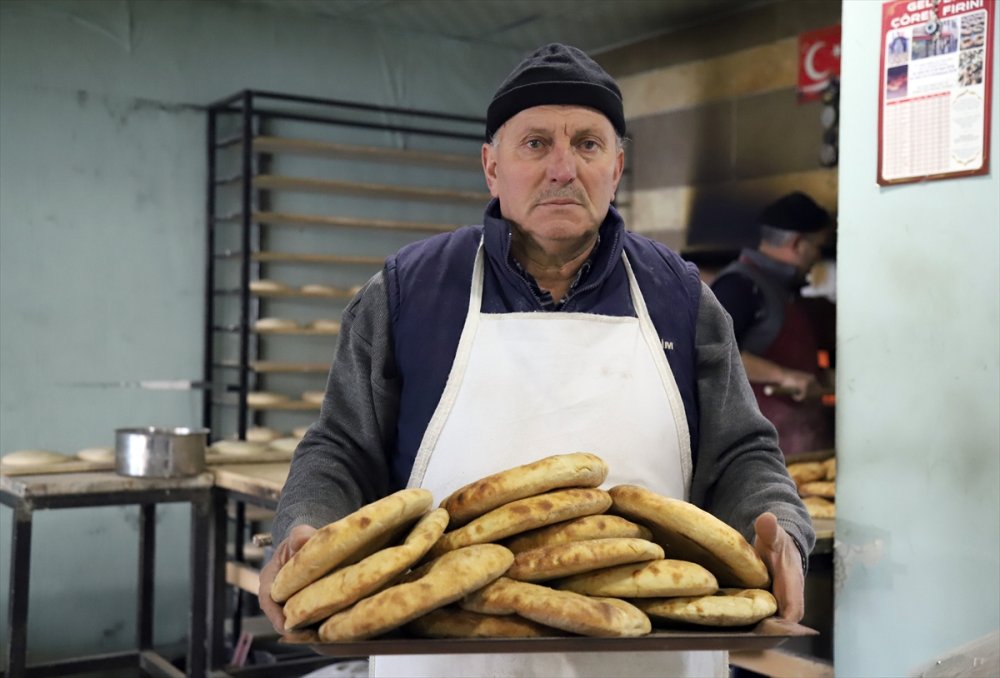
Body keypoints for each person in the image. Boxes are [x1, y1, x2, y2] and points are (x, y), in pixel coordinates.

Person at [258, 43, 814, 678]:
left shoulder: (682, 298)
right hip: (452, 661)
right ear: (491, 167)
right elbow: (339, 449)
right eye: (534, 144)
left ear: (618, 166)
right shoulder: (408, 292)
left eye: (587, 143)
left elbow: (744, 453)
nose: (562, 168)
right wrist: (306, 529)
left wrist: (779, 527)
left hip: (655, 662)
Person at [710, 192, 836, 458]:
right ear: (798, 244)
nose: (816, 257)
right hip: (762, 448)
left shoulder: (785, 290)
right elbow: (718, 354)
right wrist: (783, 376)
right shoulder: (738, 286)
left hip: (801, 444)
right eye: (817, 247)